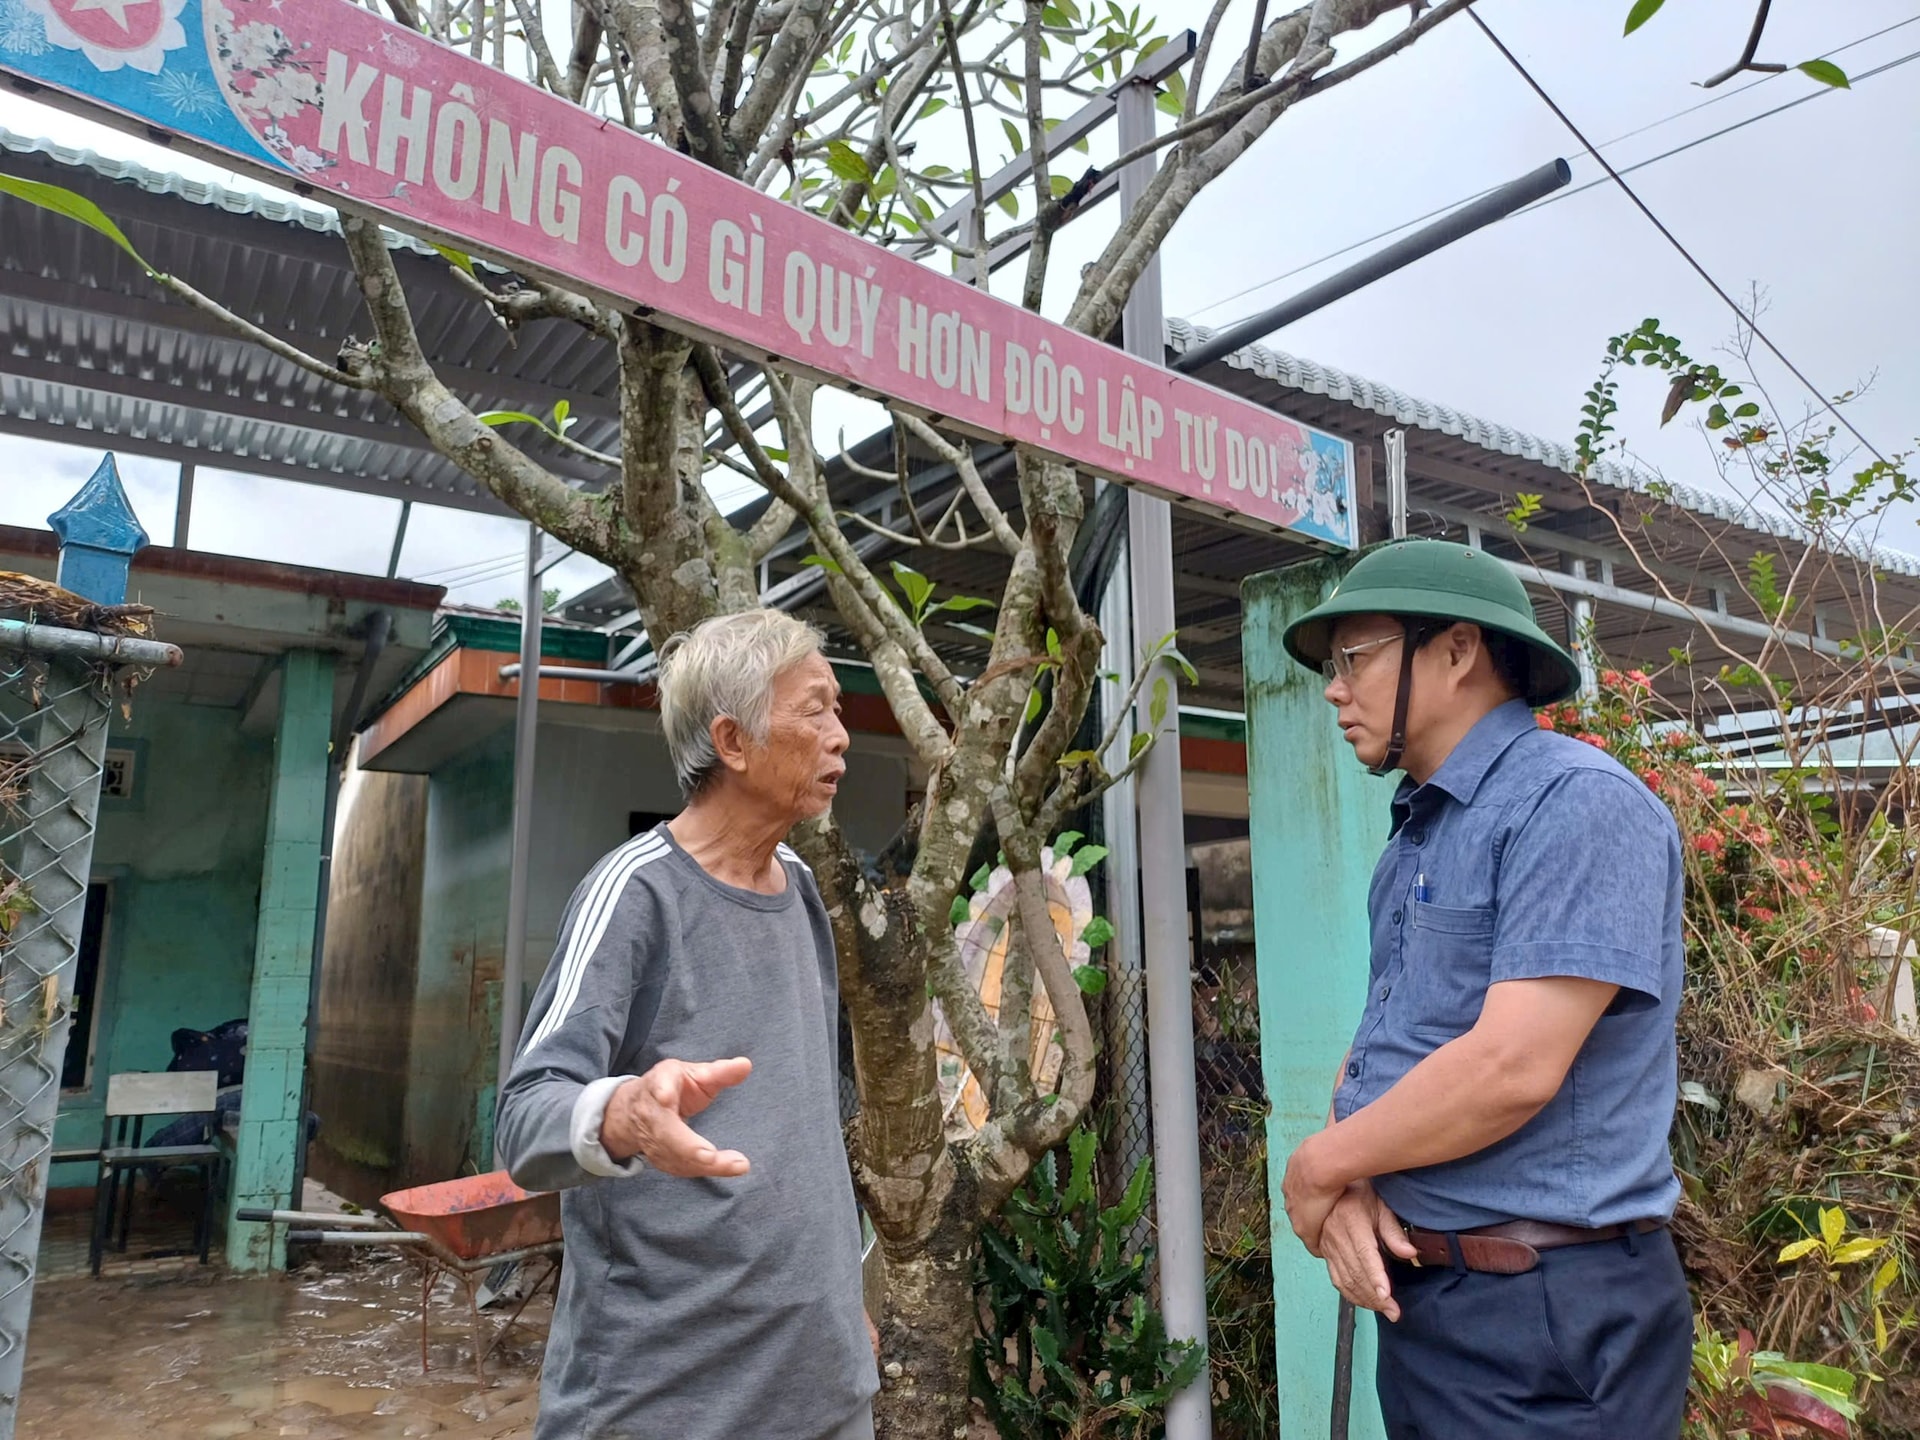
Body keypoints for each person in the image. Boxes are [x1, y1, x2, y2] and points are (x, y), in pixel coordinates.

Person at [1275, 539, 1691, 1438]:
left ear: (1456, 650)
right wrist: (1354, 1185)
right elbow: (1393, 1039)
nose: (1333, 689)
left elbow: (1511, 1065)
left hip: (1548, 1317)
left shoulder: (1575, 804)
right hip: (1436, 1304)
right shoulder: (1417, 839)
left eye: (1354, 657)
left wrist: (1319, 1166)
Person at [497, 608, 880, 1440]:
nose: (841, 735)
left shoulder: (802, 889)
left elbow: (805, 1124)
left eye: (838, 710)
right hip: (666, 1401)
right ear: (733, 742)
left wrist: (842, 1307)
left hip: (822, 1385)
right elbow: (524, 1119)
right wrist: (623, 1114)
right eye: (815, 709)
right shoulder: (635, 891)